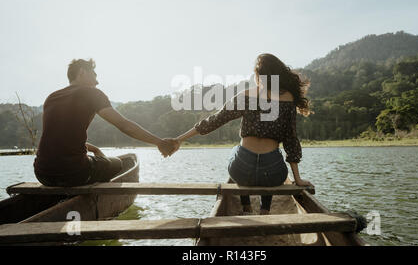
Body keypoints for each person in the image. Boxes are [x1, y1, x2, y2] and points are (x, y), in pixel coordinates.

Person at [167, 53, 313, 215]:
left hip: (242, 170)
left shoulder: (246, 95)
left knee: (237, 151)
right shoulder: (288, 98)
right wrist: (297, 179)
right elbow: (291, 140)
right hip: (272, 174)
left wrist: (179, 139)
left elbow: (213, 121)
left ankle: (246, 207)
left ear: (258, 75)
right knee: (274, 156)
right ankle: (265, 210)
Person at [34, 58, 177, 187]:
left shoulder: (52, 97)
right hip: (74, 174)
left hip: (42, 174)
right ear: (82, 72)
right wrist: (160, 142)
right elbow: (124, 125)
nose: (97, 82)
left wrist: (94, 149)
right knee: (118, 164)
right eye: (94, 75)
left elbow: (57, 135)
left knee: (96, 159)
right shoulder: (92, 93)